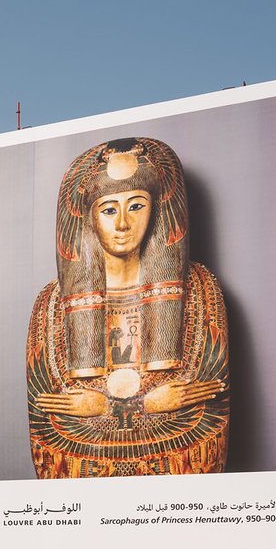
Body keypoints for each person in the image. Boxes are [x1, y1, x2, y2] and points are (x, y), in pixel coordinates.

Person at [26, 137, 229, 477]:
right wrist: (148, 404)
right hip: (81, 460)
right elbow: (46, 420)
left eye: (136, 206)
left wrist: (104, 407)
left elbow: (210, 408)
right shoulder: (51, 302)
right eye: (109, 210)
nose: (122, 224)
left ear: (157, 209)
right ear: (88, 218)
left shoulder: (198, 287)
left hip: (177, 459)